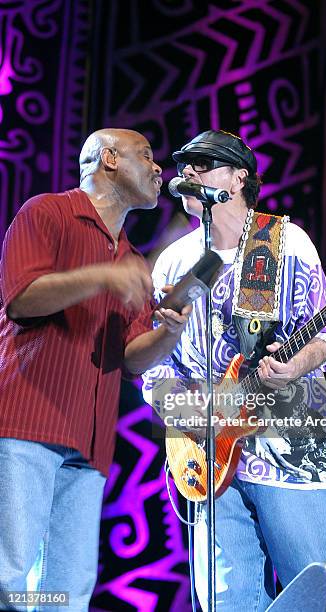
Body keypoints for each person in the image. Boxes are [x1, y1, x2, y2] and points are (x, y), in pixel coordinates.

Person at [142, 130, 326, 610]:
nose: (188, 172)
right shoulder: (172, 262)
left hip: (290, 452)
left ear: (239, 178)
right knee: (226, 602)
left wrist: (294, 364)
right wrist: (184, 410)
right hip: (206, 461)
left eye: (204, 162)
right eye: (184, 163)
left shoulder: (285, 241)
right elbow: (155, 367)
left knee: (320, 594)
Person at [0, 128, 191, 611]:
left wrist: (168, 332)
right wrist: (100, 277)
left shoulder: (131, 260)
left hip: (89, 444)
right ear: (108, 159)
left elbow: (130, 358)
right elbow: (22, 299)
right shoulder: (47, 212)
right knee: (9, 576)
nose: (157, 169)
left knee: (66, 591)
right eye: (146, 156)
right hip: (25, 424)